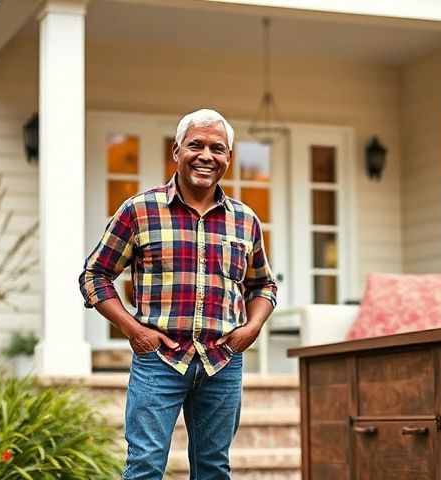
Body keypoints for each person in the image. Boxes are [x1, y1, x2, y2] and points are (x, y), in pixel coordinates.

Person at [79, 108, 278, 480]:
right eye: (196, 145)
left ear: (228, 159)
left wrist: (252, 327)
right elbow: (95, 275)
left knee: (214, 469)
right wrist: (133, 330)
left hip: (222, 360)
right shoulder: (139, 211)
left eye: (217, 148)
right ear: (177, 151)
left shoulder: (245, 219)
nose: (206, 156)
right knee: (144, 467)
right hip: (159, 361)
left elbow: (262, 284)